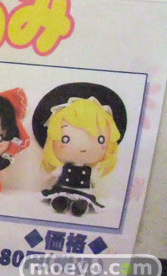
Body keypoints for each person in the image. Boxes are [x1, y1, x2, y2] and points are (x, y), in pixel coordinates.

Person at [32, 83, 125, 216]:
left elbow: (95, 180)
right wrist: (47, 176)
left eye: (100, 140)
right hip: (62, 187)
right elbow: (53, 175)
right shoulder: (62, 168)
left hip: (84, 190)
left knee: (83, 198)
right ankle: (61, 201)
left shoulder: (90, 171)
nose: (83, 148)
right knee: (60, 194)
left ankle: (80, 205)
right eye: (65, 139)